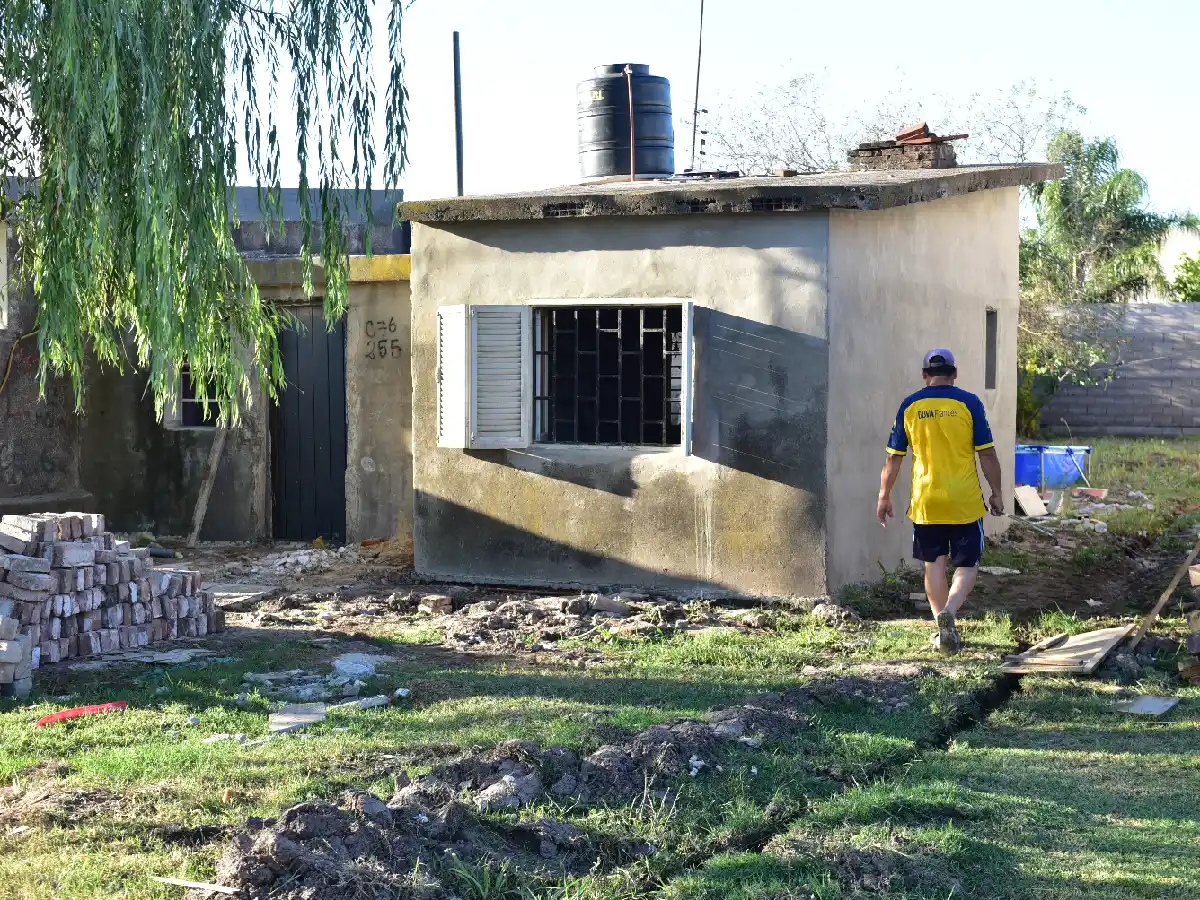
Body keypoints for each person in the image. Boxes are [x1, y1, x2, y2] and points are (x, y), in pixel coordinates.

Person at [876, 349, 1004, 654]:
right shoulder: (969, 403)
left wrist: (883, 495)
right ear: (954, 374)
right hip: (964, 501)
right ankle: (952, 608)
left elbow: (893, 459)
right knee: (967, 564)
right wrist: (997, 492)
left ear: (924, 375)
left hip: (926, 500)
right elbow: (986, 454)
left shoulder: (910, 405)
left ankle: (942, 628)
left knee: (933, 564)